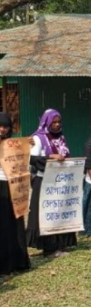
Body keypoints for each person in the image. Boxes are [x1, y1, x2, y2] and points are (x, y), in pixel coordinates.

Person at [26, 109, 77, 257]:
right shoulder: (38, 138)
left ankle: (60, 244)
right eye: (53, 122)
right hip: (44, 181)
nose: (56, 125)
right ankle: (49, 247)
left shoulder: (60, 137)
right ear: (46, 122)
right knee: (46, 213)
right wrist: (51, 156)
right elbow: (32, 159)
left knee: (59, 211)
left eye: (59, 122)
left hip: (60, 181)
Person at [0, 113, 31, 275]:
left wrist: (27, 144)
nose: (2, 129)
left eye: (6, 126)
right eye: (0, 126)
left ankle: (19, 261)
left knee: (15, 223)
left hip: (14, 186)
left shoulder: (14, 144)